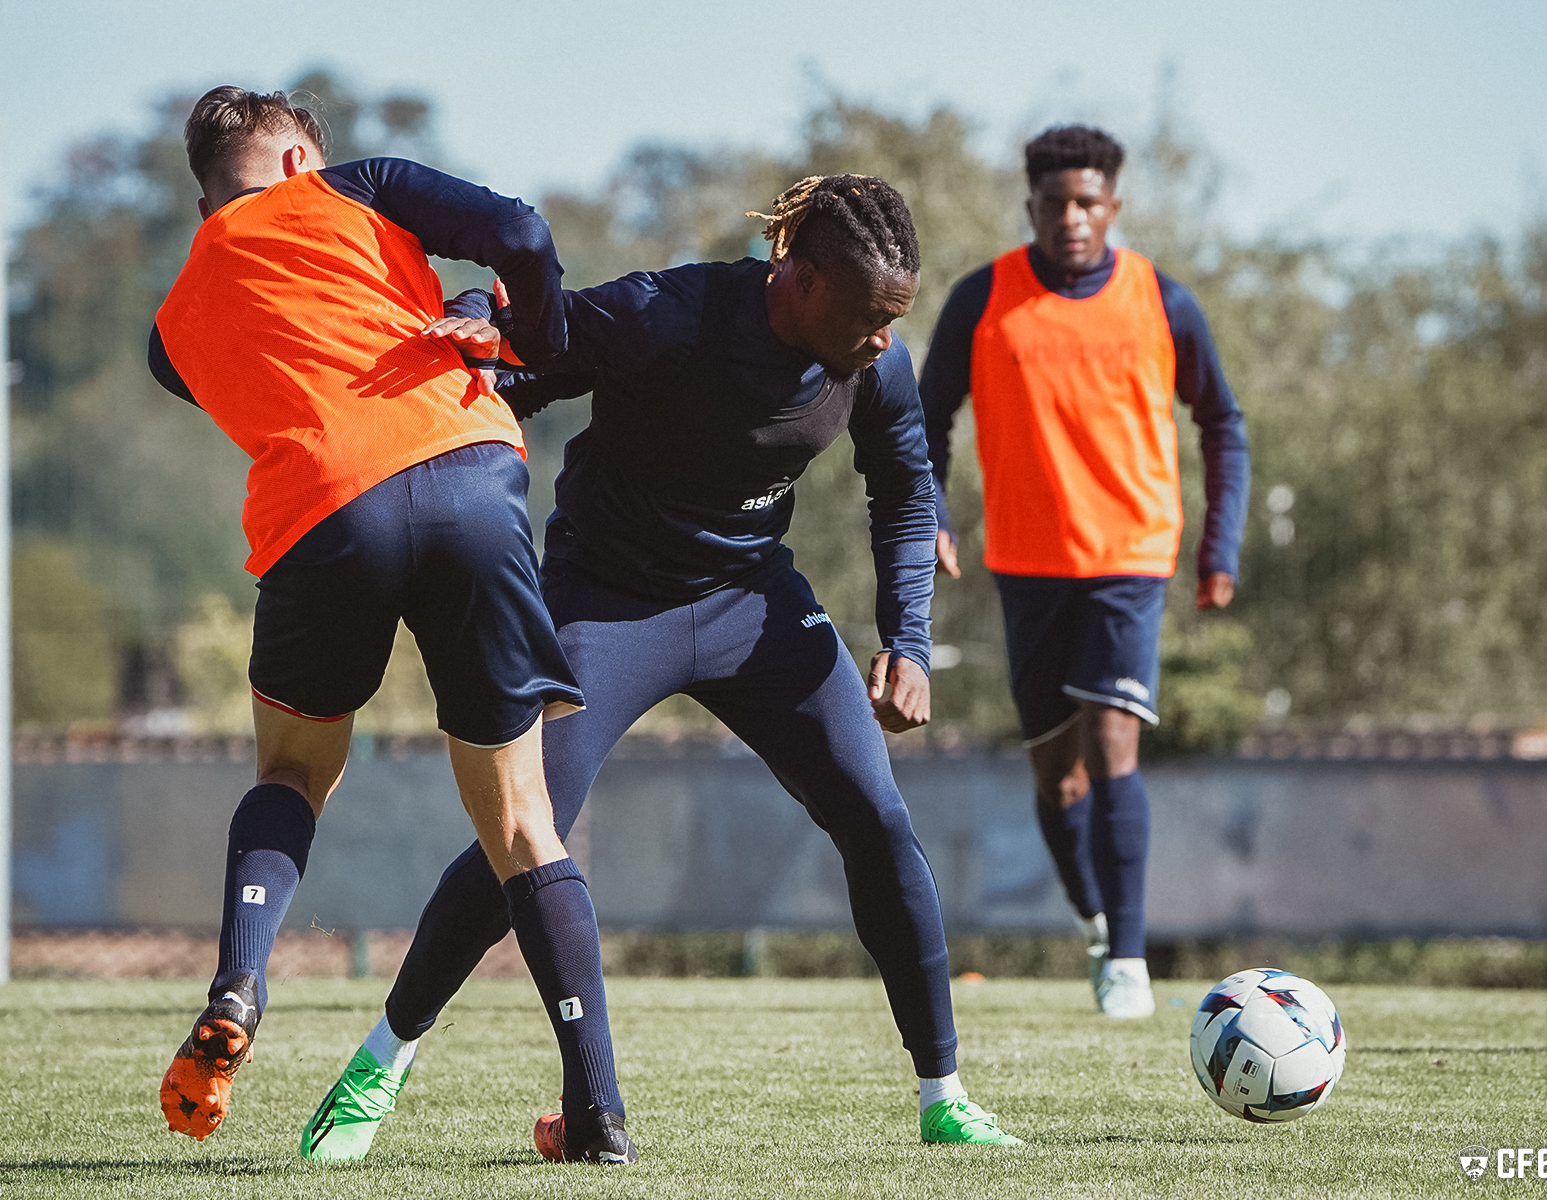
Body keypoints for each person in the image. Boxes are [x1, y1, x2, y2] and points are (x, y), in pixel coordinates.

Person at [304, 174, 1022, 1159]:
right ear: (803, 279)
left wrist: (907, 639)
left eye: (894, 318)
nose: (883, 339)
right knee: (525, 832)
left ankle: (945, 1098)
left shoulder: (875, 365)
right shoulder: (669, 314)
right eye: (869, 315)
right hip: (606, 604)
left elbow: (905, 486)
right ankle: (379, 1064)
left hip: (750, 604)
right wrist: (479, 321)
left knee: (877, 817)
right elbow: (530, 354)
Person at [147, 86, 636, 1164]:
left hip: (321, 513)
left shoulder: (172, 324)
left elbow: (245, 367)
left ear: (205, 204)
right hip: (465, 475)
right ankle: (598, 1115)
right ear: (297, 162)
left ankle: (237, 983)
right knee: (523, 822)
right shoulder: (350, 187)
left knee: (291, 772)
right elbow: (520, 234)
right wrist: (530, 332)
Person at [918, 125, 1250, 1019]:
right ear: (1032, 206)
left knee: (1112, 745)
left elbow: (1223, 422)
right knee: (1056, 778)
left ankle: (1130, 960)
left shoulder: (1162, 301)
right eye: (1056, 203)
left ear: (1113, 207)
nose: (1072, 217)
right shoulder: (984, 299)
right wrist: (933, 515)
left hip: (1130, 557)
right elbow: (924, 419)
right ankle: (1098, 921)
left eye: (1088, 203)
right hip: (1026, 563)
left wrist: (1218, 546)